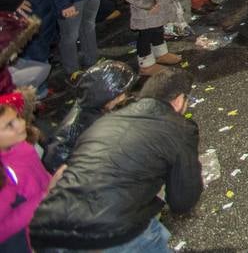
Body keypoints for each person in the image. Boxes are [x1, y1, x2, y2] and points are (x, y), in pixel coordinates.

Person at [29, 70, 203, 251]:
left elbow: (62, 172)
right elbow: (182, 201)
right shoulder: (179, 128)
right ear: (178, 100)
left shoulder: (105, 121)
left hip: (53, 224)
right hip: (112, 226)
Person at [41, 60, 136, 173]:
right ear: (108, 95)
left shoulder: (89, 105)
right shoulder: (85, 125)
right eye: (122, 94)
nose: (123, 97)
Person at [0, 91, 50, 252]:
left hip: (45, 211)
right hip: (22, 240)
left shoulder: (21, 145)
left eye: (18, 118)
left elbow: (41, 176)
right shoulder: (4, 175)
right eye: (9, 125)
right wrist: (45, 196)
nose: (21, 124)